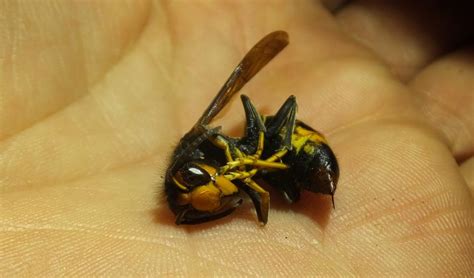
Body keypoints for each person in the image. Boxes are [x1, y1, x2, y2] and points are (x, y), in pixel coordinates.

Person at [1, 0, 472, 275]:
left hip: (295, 149)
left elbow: (242, 154)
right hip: (282, 169)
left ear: (196, 162)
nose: (212, 193)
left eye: (193, 184)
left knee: (262, 129)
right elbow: (247, 201)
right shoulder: (234, 185)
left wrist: (248, 167)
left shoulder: (216, 151)